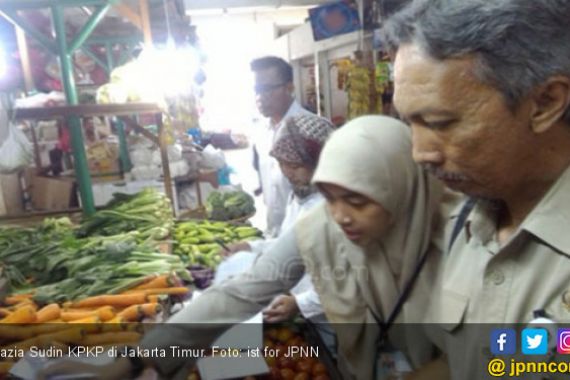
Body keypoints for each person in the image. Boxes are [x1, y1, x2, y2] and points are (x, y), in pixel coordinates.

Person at [39, 116, 444, 380]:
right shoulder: (321, 227)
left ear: (402, 190)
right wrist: (135, 360)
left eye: (357, 201)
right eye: (330, 197)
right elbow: (242, 291)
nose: (339, 216)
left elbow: (501, 355)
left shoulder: (463, 242)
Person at [382, 0, 570, 378]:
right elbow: (457, 362)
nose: (420, 154)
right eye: (410, 123)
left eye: (439, 122)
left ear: (545, 103)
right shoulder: (466, 222)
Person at [215, 114, 335, 323]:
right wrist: (251, 247)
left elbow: (346, 283)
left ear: (320, 162)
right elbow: (289, 243)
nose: (287, 172)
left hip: (329, 317)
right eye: (281, 163)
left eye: (295, 166)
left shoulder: (335, 207)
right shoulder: (300, 194)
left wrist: (302, 303)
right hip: (299, 307)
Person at [250, 56, 315, 237]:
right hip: (274, 234)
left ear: (289, 88)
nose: (260, 97)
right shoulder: (261, 133)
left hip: (306, 237)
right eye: (257, 89)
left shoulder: (311, 129)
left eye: (267, 89)